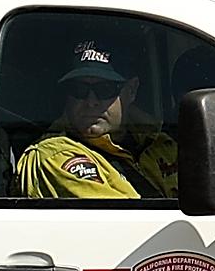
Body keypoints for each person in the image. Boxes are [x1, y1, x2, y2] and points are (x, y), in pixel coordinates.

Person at [16, 42, 177, 200]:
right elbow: (125, 223)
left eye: (105, 89)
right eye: (79, 89)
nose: (91, 101)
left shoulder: (161, 145)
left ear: (131, 90)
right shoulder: (55, 156)